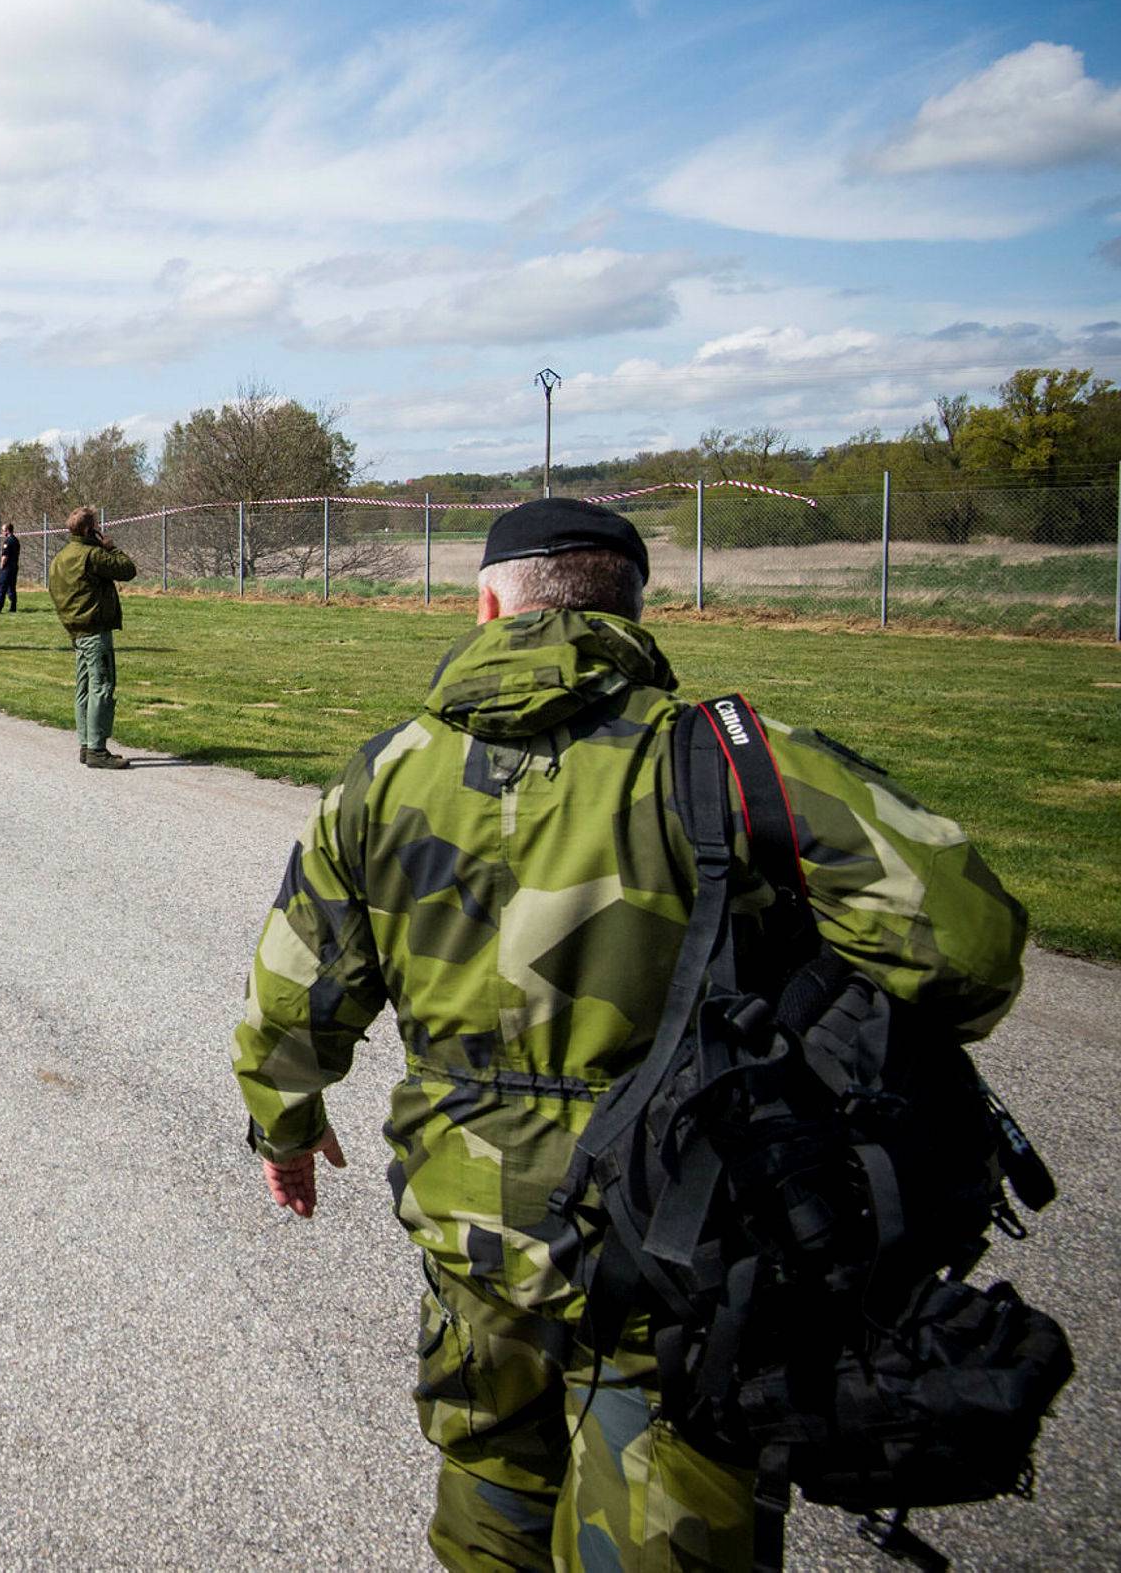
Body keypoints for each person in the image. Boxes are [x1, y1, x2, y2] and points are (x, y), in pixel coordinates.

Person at [228, 498, 1027, 1573]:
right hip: (681, 1238)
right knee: (667, 1515)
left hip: (472, 1238)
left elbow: (291, 995)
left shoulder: (381, 774)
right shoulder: (727, 761)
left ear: (486, 605)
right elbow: (967, 949)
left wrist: (284, 1131)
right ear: (636, 610)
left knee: (491, 1484)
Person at [46, 506, 136, 769]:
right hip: (95, 630)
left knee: (83, 688)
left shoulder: (61, 557)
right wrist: (110, 546)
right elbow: (128, 569)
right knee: (102, 686)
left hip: (76, 630)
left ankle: (86, 745)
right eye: (96, 525)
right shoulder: (93, 555)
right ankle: (98, 749)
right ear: (89, 530)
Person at [0, 521, 22, 613]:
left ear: (7, 531)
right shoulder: (16, 540)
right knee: (11, 588)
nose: (2, 532)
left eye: (2, 530)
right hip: (14, 567)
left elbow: (5, 556)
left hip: (7, 568)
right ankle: (13, 607)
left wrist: (1, 565)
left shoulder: (8, 541)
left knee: (2, 588)